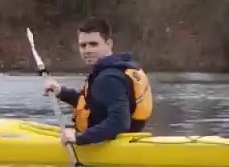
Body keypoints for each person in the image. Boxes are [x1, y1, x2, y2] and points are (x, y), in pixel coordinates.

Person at [43, 17, 153, 147]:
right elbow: (92, 103)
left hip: (114, 149)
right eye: (83, 45)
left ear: (109, 44)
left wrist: (79, 138)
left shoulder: (109, 78)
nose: (87, 50)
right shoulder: (113, 70)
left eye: (94, 44)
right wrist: (62, 92)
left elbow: (120, 122)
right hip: (125, 141)